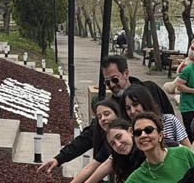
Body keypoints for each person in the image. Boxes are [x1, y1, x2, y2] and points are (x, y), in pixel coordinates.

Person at [37, 56, 173, 175]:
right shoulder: (111, 109)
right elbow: (88, 136)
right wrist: (59, 158)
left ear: (126, 73)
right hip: (134, 170)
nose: (112, 85)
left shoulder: (151, 89)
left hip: (166, 159)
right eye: (107, 82)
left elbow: (171, 120)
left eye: (115, 79)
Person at [47, 97, 123, 183]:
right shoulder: (107, 142)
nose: (103, 119)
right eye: (99, 117)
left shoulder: (131, 135)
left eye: (107, 114)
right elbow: (93, 166)